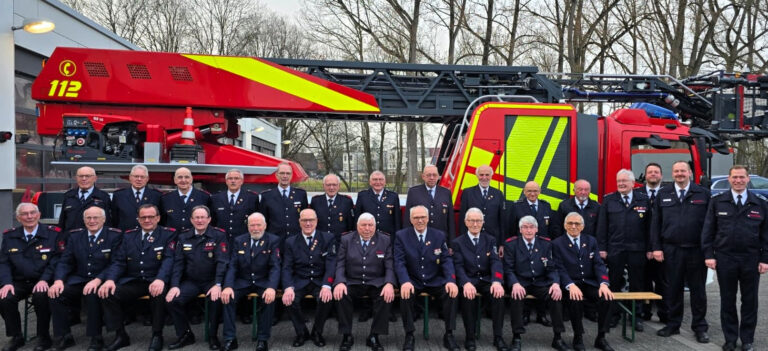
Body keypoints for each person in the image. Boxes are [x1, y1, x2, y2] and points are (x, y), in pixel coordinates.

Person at [701, 165, 768, 351]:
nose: (738, 180)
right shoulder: (717, 201)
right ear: (729, 179)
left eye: (741, 177)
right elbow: (708, 231)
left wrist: (765, 259)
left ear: (748, 179)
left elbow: (766, 234)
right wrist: (709, 255)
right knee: (727, 300)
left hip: (751, 259)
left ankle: (747, 339)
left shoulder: (760, 203)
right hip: (725, 258)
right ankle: (730, 338)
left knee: (750, 301)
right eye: (734, 177)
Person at [99, 204, 177, 351]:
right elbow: (119, 261)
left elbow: (169, 260)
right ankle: (120, 335)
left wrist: (160, 279)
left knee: (159, 294)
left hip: (155, 279)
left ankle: (157, 335)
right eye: (143, 217)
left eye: (151, 217)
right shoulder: (129, 236)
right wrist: (109, 280)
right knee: (108, 293)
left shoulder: (168, 234)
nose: (147, 220)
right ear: (138, 219)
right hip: (134, 280)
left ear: (158, 218)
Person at [650, 161, 710, 343]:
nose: (679, 174)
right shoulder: (663, 193)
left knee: (698, 291)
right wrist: (657, 247)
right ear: (672, 173)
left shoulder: (703, 194)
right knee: (673, 289)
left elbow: (710, 225)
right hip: (671, 250)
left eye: (683, 170)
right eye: (676, 171)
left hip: (696, 250)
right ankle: (673, 324)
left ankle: (700, 327)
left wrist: (709, 251)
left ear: (690, 172)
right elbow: (655, 224)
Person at [48, 206, 123, 351]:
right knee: (56, 294)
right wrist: (58, 281)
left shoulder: (114, 236)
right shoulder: (75, 236)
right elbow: (65, 261)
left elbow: (117, 262)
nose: (92, 221)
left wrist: (98, 279)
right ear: (83, 220)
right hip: (79, 278)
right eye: (88, 218)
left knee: (92, 293)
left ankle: (96, 338)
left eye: (96, 217)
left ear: (104, 219)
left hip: (101, 279)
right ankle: (64, 336)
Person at [395, 205, 460, 351]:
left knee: (451, 293)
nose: (420, 220)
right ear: (411, 219)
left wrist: (450, 280)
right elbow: (399, 262)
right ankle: (409, 334)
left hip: (434, 279)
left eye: (423, 217)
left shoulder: (438, 235)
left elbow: (446, 260)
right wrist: (404, 281)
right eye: (416, 218)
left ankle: (449, 334)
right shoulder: (401, 236)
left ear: (428, 218)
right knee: (405, 295)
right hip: (413, 280)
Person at [0, 203, 63, 351]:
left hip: (43, 280)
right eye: (24, 214)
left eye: (32, 213)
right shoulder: (10, 236)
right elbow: (3, 262)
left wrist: (44, 279)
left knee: (41, 296)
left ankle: (44, 337)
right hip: (19, 281)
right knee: (4, 297)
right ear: (18, 218)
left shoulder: (52, 233)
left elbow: (57, 260)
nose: (29, 217)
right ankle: (16, 336)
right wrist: (6, 283)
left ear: (39, 215)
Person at [165, 206, 229, 350]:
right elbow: (178, 264)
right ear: (191, 220)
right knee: (173, 300)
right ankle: (185, 335)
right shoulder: (183, 237)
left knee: (215, 299)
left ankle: (213, 336)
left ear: (209, 219)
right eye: (197, 218)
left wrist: (218, 284)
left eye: (203, 217)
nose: (200, 220)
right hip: (191, 281)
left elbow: (222, 261)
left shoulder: (218, 235)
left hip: (212, 281)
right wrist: (174, 285)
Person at [503, 215, 569, 351]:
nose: (528, 230)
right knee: (516, 296)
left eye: (531, 227)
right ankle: (516, 337)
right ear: (520, 230)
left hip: (540, 282)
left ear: (537, 229)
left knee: (555, 295)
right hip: (520, 282)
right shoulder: (511, 244)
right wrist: (514, 284)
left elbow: (551, 268)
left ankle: (558, 338)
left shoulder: (545, 244)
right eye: (525, 227)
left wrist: (555, 283)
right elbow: (508, 269)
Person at [597, 169, 651, 331]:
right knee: (613, 283)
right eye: (618, 181)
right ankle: (613, 315)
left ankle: (637, 317)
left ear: (632, 183)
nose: (621, 184)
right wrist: (602, 248)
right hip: (615, 249)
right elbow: (602, 226)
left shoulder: (643, 200)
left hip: (637, 250)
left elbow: (650, 228)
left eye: (624, 181)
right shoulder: (609, 200)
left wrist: (650, 248)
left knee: (637, 284)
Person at [333, 213, 396, 351]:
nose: (367, 228)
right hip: (352, 281)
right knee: (341, 294)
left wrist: (389, 283)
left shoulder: (385, 240)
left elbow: (390, 265)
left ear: (375, 226)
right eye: (363, 225)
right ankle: (346, 335)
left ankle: (374, 335)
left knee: (386, 297)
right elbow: (340, 263)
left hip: (376, 282)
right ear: (357, 226)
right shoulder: (347, 239)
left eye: (370, 225)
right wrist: (340, 282)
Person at [552, 212, 614, 351]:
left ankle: (601, 337)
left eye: (577, 224)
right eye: (570, 223)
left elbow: (598, 264)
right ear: (564, 225)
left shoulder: (591, 240)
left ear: (583, 226)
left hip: (589, 282)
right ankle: (578, 337)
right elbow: (558, 268)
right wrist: (570, 285)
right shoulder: (557, 243)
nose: (573, 226)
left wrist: (604, 284)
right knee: (575, 300)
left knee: (607, 297)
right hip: (570, 284)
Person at [221, 213, 280, 351]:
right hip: (243, 281)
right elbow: (233, 266)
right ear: (248, 227)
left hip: (263, 281)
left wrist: (271, 287)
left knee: (268, 299)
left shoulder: (273, 240)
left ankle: (262, 339)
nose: (255, 228)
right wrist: (228, 286)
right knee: (227, 297)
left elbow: (275, 267)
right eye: (252, 225)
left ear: (265, 226)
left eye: (258, 225)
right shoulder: (239, 240)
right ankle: (230, 338)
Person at [450, 208, 507, 351]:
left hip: (487, 280)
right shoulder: (458, 242)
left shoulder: (490, 239)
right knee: (467, 297)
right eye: (471, 221)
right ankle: (470, 337)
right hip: (469, 280)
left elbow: (496, 262)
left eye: (478, 221)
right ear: (465, 222)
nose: (475, 224)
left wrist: (496, 281)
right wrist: (465, 283)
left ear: (483, 222)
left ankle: (498, 337)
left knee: (498, 296)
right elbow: (458, 266)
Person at [281, 209, 336, 347]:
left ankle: (317, 332)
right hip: (299, 280)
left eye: (311, 220)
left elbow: (331, 264)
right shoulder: (291, 242)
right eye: (304, 220)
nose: (308, 223)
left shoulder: (327, 238)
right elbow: (286, 267)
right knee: (289, 299)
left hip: (319, 280)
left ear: (316, 221)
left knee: (326, 299)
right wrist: (288, 287)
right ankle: (301, 333)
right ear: (299, 222)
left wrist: (327, 285)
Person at [508, 181, 554, 326]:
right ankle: (525, 315)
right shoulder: (517, 206)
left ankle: (541, 315)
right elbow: (510, 227)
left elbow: (551, 228)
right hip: (522, 248)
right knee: (525, 278)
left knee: (541, 279)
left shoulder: (546, 206)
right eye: (529, 191)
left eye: (535, 190)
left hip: (542, 248)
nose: (532, 193)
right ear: (524, 192)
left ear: (540, 191)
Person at [639, 163, 667, 323]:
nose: (653, 174)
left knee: (663, 282)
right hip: (641, 247)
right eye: (650, 172)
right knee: (644, 281)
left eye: (656, 172)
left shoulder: (668, 193)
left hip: (661, 248)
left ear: (661, 175)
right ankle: (645, 312)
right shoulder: (636, 194)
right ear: (645, 175)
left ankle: (664, 314)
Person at [260, 162, 308, 244]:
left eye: (288, 173)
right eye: (282, 173)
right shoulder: (266, 196)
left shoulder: (301, 194)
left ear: (291, 175)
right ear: (276, 175)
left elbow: (304, 218)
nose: (285, 176)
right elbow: (264, 221)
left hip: (296, 241)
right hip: (274, 241)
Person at [405, 165, 455, 242]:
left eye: (434, 175)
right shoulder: (413, 192)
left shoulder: (446, 192)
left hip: (441, 239)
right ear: (423, 176)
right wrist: (407, 241)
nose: (432, 178)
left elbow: (450, 220)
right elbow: (407, 219)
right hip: (419, 239)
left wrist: (451, 244)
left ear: (438, 176)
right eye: (428, 175)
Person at [458, 165, 505, 245]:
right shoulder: (467, 193)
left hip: (493, 239)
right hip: (472, 239)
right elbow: (462, 219)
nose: (484, 178)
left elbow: (502, 221)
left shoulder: (498, 194)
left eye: (487, 175)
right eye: (481, 175)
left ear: (491, 176)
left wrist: (501, 244)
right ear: (477, 176)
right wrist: (463, 240)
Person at [210, 169, 260, 243]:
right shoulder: (216, 198)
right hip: (221, 241)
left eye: (236, 178)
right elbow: (212, 221)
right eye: (230, 178)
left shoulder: (252, 198)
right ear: (226, 181)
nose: (233, 181)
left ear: (242, 181)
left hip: (243, 241)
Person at [109, 165, 162, 231]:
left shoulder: (157, 196)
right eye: (136, 176)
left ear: (147, 179)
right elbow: (115, 219)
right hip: (125, 237)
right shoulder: (119, 195)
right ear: (130, 178)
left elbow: (160, 219)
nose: (139, 179)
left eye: (142, 177)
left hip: (149, 236)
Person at [58, 166, 111, 231]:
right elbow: (62, 221)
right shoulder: (68, 196)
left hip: (92, 238)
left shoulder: (103, 197)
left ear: (95, 178)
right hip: (71, 238)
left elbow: (108, 222)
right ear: (76, 178)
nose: (84, 179)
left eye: (87, 176)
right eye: (80, 176)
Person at [160, 167, 211, 232]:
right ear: (175, 180)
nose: (183, 180)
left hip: (196, 239)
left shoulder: (204, 197)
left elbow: (209, 220)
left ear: (191, 179)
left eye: (187, 177)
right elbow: (162, 221)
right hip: (172, 239)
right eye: (180, 177)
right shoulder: (165, 198)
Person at [310, 173, 354, 242]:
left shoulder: (346, 201)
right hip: (320, 241)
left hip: (340, 242)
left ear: (339, 186)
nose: (331, 188)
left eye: (334, 185)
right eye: (328, 185)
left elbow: (350, 225)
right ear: (323, 186)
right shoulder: (316, 201)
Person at [354, 171, 401, 236]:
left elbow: (397, 221)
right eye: (375, 179)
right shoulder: (362, 196)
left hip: (388, 237)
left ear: (385, 182)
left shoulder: (393, 196)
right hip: (368, 236)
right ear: (370, 182)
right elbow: (357, 218)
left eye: (380, 179)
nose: (378, 182)